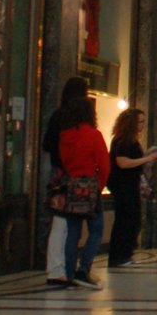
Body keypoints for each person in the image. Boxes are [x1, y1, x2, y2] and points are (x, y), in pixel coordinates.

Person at [56, 93, 110, 289]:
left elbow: (63, 162)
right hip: (90, 187)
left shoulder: (64, 136)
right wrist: (99, 186)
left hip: (71, 186)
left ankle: (69, 274)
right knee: (96, 230)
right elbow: (104, 165)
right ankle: (83, 268)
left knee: (73, 231)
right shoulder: (93, 135)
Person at [41, 77, 89, 287]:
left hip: (59, 173)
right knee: (66, 224)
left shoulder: (57, 116)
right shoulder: (77, 120)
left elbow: (47, 144)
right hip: (72, 175)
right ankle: (57, 269)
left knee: (61, 223)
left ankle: (58, 267)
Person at [107, 108, 157, 268]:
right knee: (125, 220)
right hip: (123, 186)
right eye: (140, 121)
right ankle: (119, 255)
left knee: (132, 219)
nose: (143, 125)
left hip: (130, 184)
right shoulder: (122, 141)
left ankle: (126, 253)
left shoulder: (131, 141)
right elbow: (122, 162)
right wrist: (146, 159)